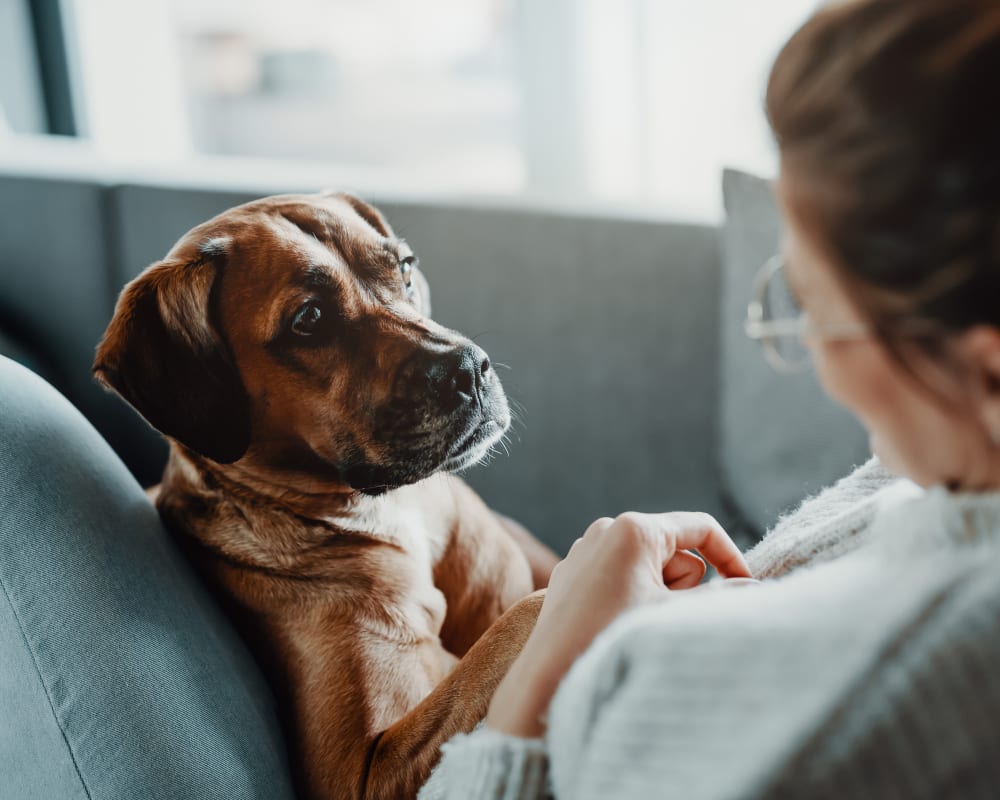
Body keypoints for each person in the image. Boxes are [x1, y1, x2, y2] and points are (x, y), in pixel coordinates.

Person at [420, 0, 1000, 797]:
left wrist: (542, 676)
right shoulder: (949, 468)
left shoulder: (838, 720)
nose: (811, 360)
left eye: (810, 305)